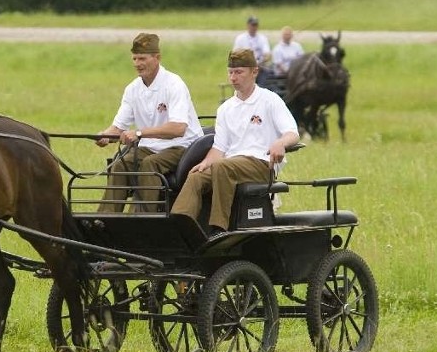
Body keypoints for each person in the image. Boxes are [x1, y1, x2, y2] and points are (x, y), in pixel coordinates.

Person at [171, 48, 300, 237]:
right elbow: (219, 148)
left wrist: (281, 143)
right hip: (230, 165)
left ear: (254, 72)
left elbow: (293, 133)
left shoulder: (269, 100)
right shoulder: (225, 109)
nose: (233, 77)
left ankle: (218, 229)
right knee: (196, 176)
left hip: (261, 164)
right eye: (230, 72)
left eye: (239, 72)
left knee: (223, 167)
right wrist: (205, 164)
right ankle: (180, 227)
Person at [97, 32, 203, 213]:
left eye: (142, 58)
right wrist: (105, 135)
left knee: (150, 164)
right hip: (150, 145)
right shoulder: (132, 89)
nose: (137, 64)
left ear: (157, 58)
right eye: (135, 59)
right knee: (121, 164)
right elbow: (118, 127)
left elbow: (178, 128)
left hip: (182, 146)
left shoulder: (174, 84)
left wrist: (139, 133)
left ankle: (140, 219)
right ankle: (105, 220)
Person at [233, 16, 271, 85]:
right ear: (248, 25)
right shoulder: (240, 39)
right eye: (252, 25)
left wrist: (262, 61)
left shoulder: (263, 38)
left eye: (256, 25)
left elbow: (267, 54)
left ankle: (260, 90)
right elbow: (235, 56)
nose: (254, 27)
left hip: (260, 67)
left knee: (266, 74)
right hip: (245, 67)